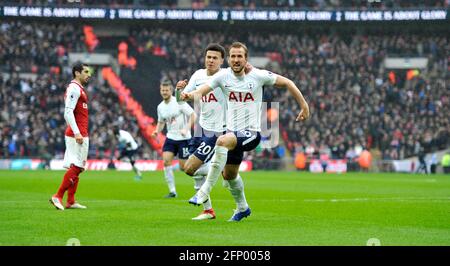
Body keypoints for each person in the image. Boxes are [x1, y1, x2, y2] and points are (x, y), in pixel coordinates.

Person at [181, 42, 310, 221]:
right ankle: (243, 208)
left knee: (221, 141)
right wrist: (188, 95)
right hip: (233, 134)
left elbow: (287, 82)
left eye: (239, 56)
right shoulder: (223, 77)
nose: (236, 59)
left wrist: (304, 105)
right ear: (229, 59)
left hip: (251, 133)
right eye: (233, 56)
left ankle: (204, 191)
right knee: (230, 176)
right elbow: (203, 90)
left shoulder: (258, 75)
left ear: (246, 58)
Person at [175, 43, 227, 220]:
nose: (211, 60)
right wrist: (178, 90)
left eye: (215, 58)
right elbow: (181, 101)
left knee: (190, 168)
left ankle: (218, 168)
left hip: (218, 131)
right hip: (200, 128)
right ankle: (208, 211)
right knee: (191, 171)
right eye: (208, 57)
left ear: (222, 60)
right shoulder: (197, 75)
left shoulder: (226, 76)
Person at [49, 62, 91, 210]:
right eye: (85, 72)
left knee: (78, 167)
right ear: (77, 73)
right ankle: (58, 196)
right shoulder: (74, 88)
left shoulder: (79, 89)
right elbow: (68, 112)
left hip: (80, 132)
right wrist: (77, 132)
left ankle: (71, 201)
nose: (89, 74)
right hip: (77, 134)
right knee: (77, 166)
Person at [152, 79, 197, 198]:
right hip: (171, 137)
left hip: (184, 138)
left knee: (184, 167)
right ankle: (172, 191)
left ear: (171, 90)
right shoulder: (160, 107)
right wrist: (157, 131)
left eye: (166, 90)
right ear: (160, 91)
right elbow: (161, 122)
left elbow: (193, 115)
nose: (164, 92)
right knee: (166, 161)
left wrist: (186, 129)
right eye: (162, 90)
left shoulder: (179, 101)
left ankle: (202, 179)